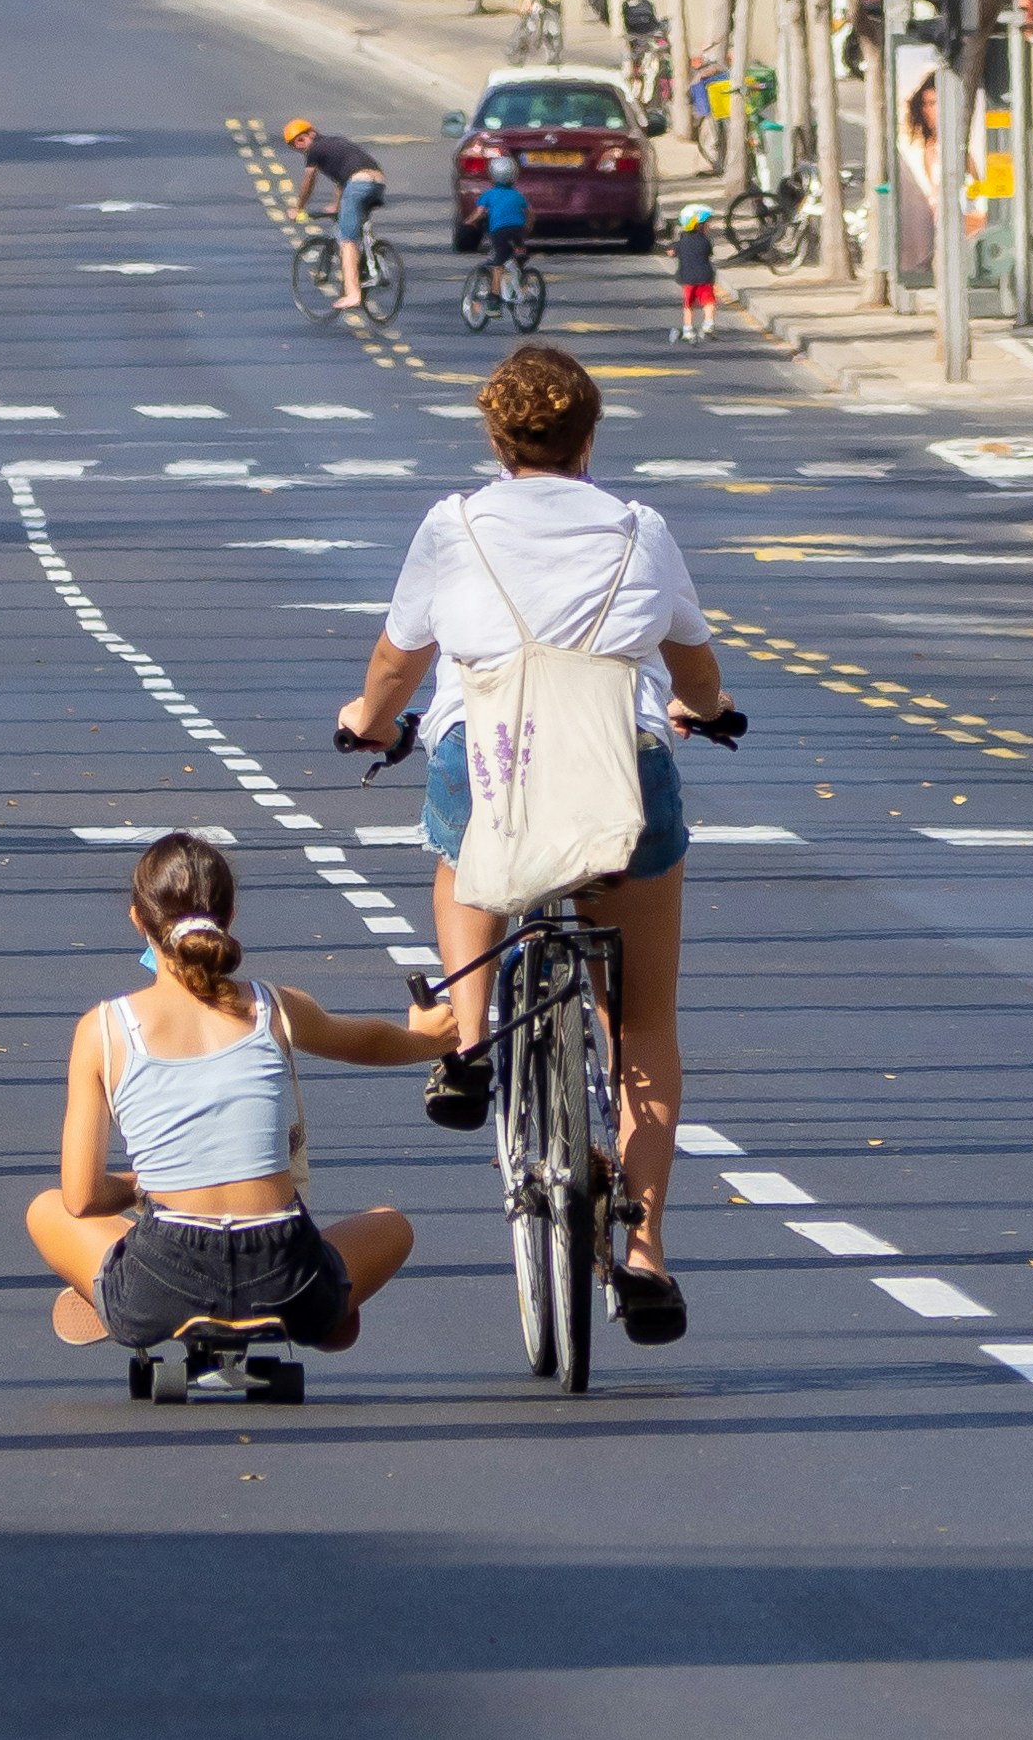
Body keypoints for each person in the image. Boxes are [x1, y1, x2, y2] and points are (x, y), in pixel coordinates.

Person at [331, 344, 727, 1346]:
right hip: (620, 778)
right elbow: (693, 662)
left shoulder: (453, 527)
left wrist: (371, 720)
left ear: (497, 439)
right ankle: (642, 1249)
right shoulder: (641, 530)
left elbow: (397, 658)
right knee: (641, 1020)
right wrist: (706, 708)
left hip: (493, 765)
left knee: (465, 850)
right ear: (591, 438)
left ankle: (469, 1038)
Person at [25, 831, 457, 1355]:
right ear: (228, 918)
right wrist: (425, 1040)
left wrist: (140, 1187)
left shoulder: (102, 1030)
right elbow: (363, 1040)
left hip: (164, 1278)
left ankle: (127, 1298)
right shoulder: (273, 1007)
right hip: (284, 1268)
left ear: (138, 920)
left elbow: (83, 1196)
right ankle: (311, 1307)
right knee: (393, 1228)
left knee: (46, 1209)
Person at [284, 116, 387, 313]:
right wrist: (335, 205)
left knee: (347, 241)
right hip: (377, 182)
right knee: (357, 222)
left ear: (309, 135)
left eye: (300, 141)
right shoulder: (336, 143)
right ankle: (374, 255)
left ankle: (353, 294)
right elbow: (344, 178)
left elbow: (309, 180)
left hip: (358, 184)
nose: (300, 147)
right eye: (295, 145)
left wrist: (299, 208)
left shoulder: (315, 150)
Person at [478, 151, 531, 304]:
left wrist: (469, 221)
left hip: (500, 231)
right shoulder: (517, 195)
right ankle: (521, 277)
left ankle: (494, 299)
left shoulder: (489, 194)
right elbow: (529, 211)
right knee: (519, 253)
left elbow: (480, 212)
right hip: (518, 230)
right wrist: (528, 225)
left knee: (498, 264)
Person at [672, 202, 716, 342]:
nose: (709, 226)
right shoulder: (706, 242)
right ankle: (708, 323)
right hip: (704, 279)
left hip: (688, 280)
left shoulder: (682, 242)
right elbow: (709, 254)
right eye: (707, 223)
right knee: (708, 302)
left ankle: (688, 329)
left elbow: (673, 251)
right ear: (698, 225)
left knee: (688, 306)